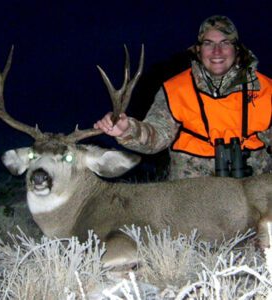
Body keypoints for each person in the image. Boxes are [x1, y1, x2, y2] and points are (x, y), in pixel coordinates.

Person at [94, 15, 272, 180]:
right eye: (208, 43)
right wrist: (127, 130)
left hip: (252, 190)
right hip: (192, 192)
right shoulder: (175, 89)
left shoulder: (267, 89)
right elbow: (157, 136)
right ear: (198, 49)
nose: (217, 51)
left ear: (237, 49)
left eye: (225, 43)